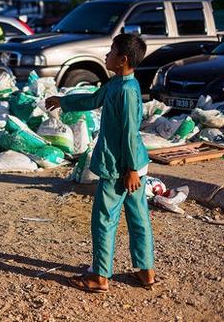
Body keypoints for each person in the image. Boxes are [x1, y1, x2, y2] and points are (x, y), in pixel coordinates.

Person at [45, 34, 156, 293]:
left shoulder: (126, 91)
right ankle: (145, 271)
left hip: (121, 168)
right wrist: (64, 101)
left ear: (122, 60)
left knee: (104, 219)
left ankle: (99, 277)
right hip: (132, 165)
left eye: (111, 51)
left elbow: (129, 132)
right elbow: (93, 100)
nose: (106, 55)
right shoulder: (119, 83)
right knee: (139, 217)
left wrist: (129, 170)